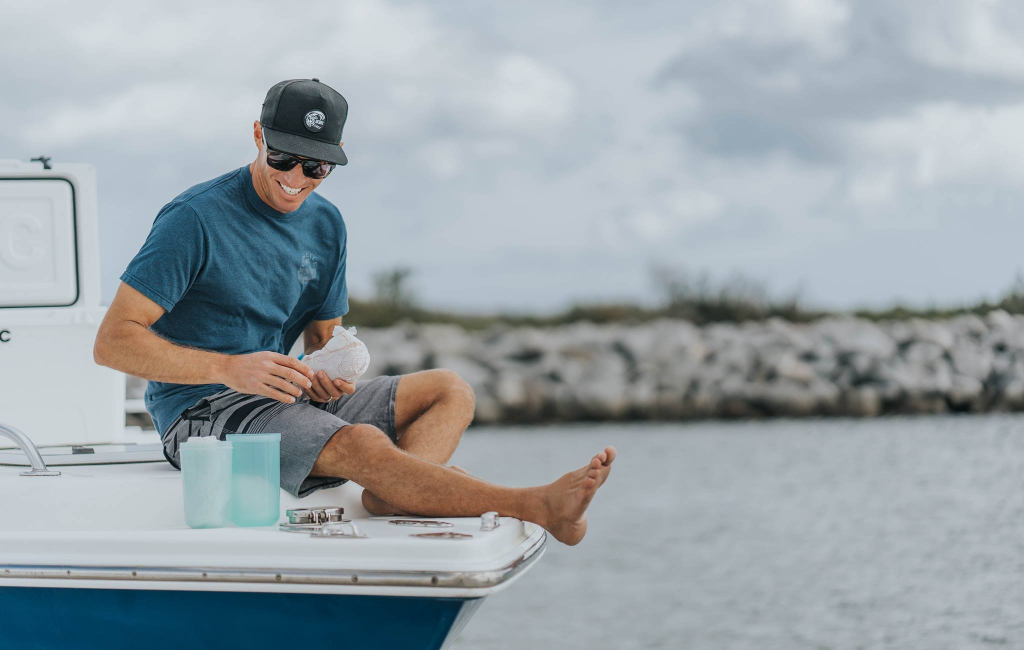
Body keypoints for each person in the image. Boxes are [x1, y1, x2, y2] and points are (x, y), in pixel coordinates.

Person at [93, 78, 614, 545]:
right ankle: (538, 505)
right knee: (363, 444)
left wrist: (330, 375)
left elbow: (324, 339)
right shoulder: (194, 218)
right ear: (258, 136)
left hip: (283, 395)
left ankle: (396, 492)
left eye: (316, 165)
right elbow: (112, 341)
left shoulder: (326, 224)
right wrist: (227, 368)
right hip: (199, 413)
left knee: (450, 390)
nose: (296, 177)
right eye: (282, 158)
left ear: (336, 155)